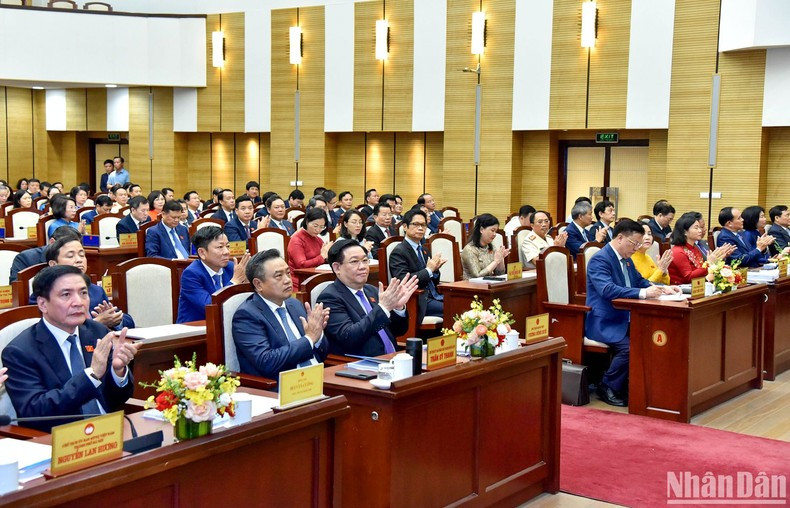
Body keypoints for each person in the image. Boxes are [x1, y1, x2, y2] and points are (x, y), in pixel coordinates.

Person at [1, 265, 138, 432]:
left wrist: (118, 372)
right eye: (66, 295)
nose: (78, 302)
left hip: (109, 434)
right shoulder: (19, 351)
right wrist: (92, 375)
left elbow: (116, 399)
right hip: (60, 442)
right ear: (43, 304)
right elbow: (35, 412)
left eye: (83, 293)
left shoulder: (97, 332)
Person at [585, 220, 680, 407]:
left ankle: (638, 387)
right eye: (634, 243)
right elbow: (607, 289)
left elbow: (639, 281)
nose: (636, 248)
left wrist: (661, 288)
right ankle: (607, 385)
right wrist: (644, 294)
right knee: (630, 347)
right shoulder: (600, 259)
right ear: (620, 238)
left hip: (626, 316)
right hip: (605, 320)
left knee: (651, 338)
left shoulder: (626, 259)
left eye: (639, 244)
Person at [232, 250, 330, 379]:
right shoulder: (247, 315)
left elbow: (321, 354)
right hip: (282, 387)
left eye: (288, 273)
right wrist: (310, 338)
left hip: (316, 378)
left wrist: (318, 335)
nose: (287, 280)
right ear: (258, 284)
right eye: (278, 276)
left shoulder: (294, 304)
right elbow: (266, 361)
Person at [317, 240, 417, 356]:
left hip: (391, 358)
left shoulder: (372, 290)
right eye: (354, 262)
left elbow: (398, 331)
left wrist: (398, 308)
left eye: (365, 260)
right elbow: (348, 337)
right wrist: (383, 308)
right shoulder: (330, 298)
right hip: (361, 365)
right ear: (337, 267)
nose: (362, 267)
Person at [42, 236, 135, 330]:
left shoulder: (96, 291)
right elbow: (50, 331)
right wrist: (97, 322)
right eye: (70, 256)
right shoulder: (44, 294)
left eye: (82, 255)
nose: (79, 260)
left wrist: (116, 319)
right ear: (53, 264)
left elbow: (129, 321)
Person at [177, 227, 250, 323]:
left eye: (227, 246)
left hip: (226, 324)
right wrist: (235, 282)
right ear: (202, 253)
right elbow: (210, 306)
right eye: (220, 247)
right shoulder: (191, 274)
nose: (226, 252)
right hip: (197, 330)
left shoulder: (231, 268)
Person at [389, 209, 445, 323]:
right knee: (455, 309)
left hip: (434, 296)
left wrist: (435, 271)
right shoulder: (399, 252)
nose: (420, 228)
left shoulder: (424, 249)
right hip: (417, 300)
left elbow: (433, 281)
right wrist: (429, 270)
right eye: (416, 224)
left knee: (464, 303)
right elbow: (404, 281)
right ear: (405, 227)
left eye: (423, 225)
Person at [668, 212, 735, 285]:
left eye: (700, 227)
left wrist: (717, 259)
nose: (700, 230)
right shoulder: (678, 251)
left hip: (698, 285)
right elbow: (688, 277)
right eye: (696, 228)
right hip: (682, 290)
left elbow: (701, 270)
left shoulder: (694, 248)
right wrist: (709, 263)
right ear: (685, 232)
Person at [10, 226, 82, 283]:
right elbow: (16, 288)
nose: (78, 258)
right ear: (52, 242)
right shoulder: (25, 258)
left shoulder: (79, 259)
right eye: (70, 255)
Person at [287, 208, 333, 291]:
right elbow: (301, 265)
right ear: (307, 221)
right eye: (315, 226)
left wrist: (328, 254)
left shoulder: (317, 239)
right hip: (299, 282)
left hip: (315, 278)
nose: (318, 230)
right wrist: (322, 257)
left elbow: (323, 260)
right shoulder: (297, 239)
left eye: (322, 227)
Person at [460, 213, 510, 279]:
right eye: (492, 230)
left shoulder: (491, 248)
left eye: (496, 231)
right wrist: (495, 262)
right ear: (481, 229)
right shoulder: (469, 250)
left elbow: (500, 274)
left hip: (488, 285)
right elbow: (477, 275)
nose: (495, 234)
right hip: (472, 286)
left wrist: (500, 259)